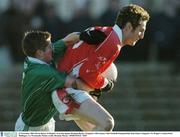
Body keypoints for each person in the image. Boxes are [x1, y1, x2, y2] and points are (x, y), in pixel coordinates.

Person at [54, 4, 150, 131]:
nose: (142, 35)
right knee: (107, 123)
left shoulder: (107, 33)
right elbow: (87, 72)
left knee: (96, 129)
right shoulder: (113, 43)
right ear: (128, 27)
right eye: (141, 30)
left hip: (65, 85)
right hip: (65, 89)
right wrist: (106, 84)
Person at [15, 31, 80, 131]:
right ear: (39, 53)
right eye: (50, 46)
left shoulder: (36, 57)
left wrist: (85, 35)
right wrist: (103, 82)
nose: (53, 47)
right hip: (31, 129)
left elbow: (67, 40)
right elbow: (73, 82)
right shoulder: (42, 73)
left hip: (47, 121)